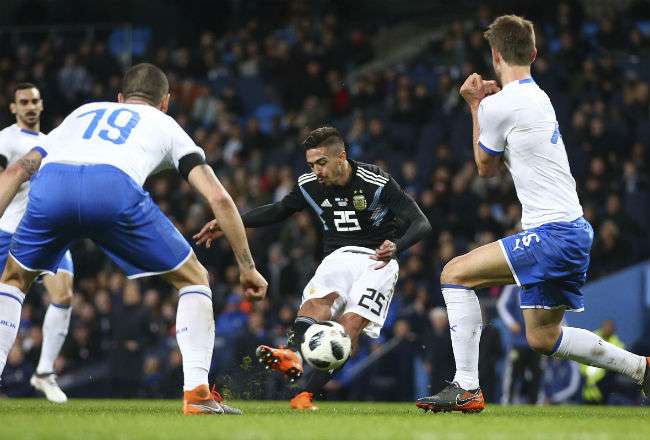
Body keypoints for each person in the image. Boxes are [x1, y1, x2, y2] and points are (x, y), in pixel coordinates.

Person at [0, 63, 268, 415]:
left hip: (52, 188)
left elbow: (18, 170)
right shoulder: (166, 124)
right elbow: (218, 197)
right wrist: (247, 266)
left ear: (121, 98)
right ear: (165, 102)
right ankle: (198, 394)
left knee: (14, 281)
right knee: (194, 279)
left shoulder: (84, 112)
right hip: (112, 188)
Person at [416, 15, 649, 413]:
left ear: (495, 55)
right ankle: (641, 369)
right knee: (543, 338)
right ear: (534, 53)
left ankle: (467, 386)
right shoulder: (538, 96)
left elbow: (484, 167)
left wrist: (475, 105)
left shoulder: (500, 105)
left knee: (453, 273)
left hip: (553, 234)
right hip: (574, 231)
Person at [195, 126, 431, 410]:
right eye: (311, 164)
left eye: (321, 163)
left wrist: (397, 246)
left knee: (349, 329)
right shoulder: (309, 184)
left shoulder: (376, 181)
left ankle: (303, 394)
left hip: (377, 262)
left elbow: (421, 223)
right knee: (319, 303)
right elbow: (280, 209)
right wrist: (228, 223)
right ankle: (292, 354)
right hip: (338, 256)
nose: (316, 170)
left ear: (341, 156)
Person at [0, 83, 74, 403]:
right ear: (13, 108)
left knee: (64, 295)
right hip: (9, 231)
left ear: (42, 105)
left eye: (35, 101)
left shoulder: (52, 144)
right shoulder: (6, 139)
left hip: (46, 233)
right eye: (23, 102)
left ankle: (44, 373)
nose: (30, 106)